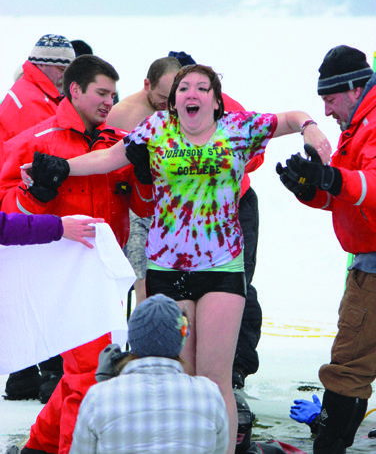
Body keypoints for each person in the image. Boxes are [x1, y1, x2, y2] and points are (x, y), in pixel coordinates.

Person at [22, 63, 331, 454]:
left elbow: (288, 117)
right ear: (173, 101)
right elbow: (108, 158)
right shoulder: (156, 131)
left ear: (216, 102)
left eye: (203, 88)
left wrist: (310, 128)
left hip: (221, 269)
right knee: (180, 375)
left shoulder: (238, 129)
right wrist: (62, 167)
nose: (192, 94)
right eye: (184, 88)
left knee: (215, 377)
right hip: (167, 269)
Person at [1, 54, 154, 454]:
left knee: (83, 370)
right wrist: (36, 194)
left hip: (104, 270)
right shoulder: (35, 142)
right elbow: (6, 213)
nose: (109, 101)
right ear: (75, 90)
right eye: (101, 92)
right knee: (89, 373)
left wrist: (142, 175)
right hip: (57, 274)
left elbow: (144, 207)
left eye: (113, 94)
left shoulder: (116, 145)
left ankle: (40, 446)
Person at [276, 45, 375, 454]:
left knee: (348, 368)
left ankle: (329, 448)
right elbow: (349, 197)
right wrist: (310, 189)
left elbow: (367, 186)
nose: (327, 110)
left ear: (354, 89)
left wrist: (333, 180)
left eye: (330, 99)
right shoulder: (360, 124)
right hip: (367, 260)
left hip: (372, 271)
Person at [168, 51, 262, 388]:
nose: (188, 94)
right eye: (180, 87)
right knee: (183, 294)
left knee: (236, 287)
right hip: (182, 218)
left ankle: (234, 367)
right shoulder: (161, 113)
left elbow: (255, 155)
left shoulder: (227, 106)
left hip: (234, 209)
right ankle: (181, 368)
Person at [0, 34, 76, 402]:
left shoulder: (28, 92)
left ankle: (24, 376)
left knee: (26, 286)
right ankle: (50, 375)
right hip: (20, 201)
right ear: (50, 67)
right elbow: (50, 149)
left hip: (14, 201)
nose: (66, 76)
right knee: (42, 287)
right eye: (63, 69)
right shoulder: (33, 103)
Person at [70, 293, 229, 454]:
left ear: (133, 337)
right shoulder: (210, 395)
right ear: (180, 339)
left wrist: (105, 386)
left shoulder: (99, 397)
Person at [107, 55, 182, 304]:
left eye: (172, 98)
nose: (167, 105)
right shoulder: (121, 115)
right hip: (134, 207)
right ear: (147, 84)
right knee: (143, 281)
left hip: (172, 207)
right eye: (162, 98)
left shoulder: (181, 112)